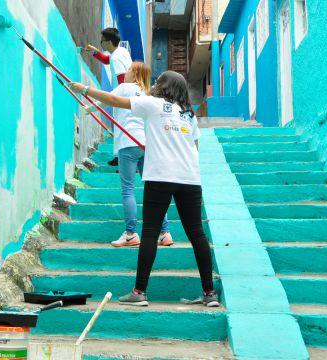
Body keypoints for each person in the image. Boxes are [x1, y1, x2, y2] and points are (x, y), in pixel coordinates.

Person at [69, 71, 220, 308]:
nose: (153, 84)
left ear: (165, 86)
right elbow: (195, 147)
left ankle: (139, 292)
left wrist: (84, 89)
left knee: (149, 233)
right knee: (197, 234)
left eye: (158, 81)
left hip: (160, 176)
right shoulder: (189, 116)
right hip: (190, 178)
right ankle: (209, 293)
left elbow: (115, 101)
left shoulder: (153, 104)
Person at [85, 62, 173, 248]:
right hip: (146, 144)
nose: (125, 73)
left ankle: (131, 234)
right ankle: (165, 233)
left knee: (128, 189)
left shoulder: (124, 87)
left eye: (128, 70)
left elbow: (108, 99)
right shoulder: (148, 93)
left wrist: (89, 109)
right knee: (153, 189)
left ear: (134, 73)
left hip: (128, 144)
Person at [85, 27, 132, 167]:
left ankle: (122, 160)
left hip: (123, 98)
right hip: (128, 96)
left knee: (121, 128)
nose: (101, 42)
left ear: (109, 42)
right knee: (121, 128)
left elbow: (122, 82)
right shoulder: (121, 51)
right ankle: (119, 157)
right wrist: (95, 52)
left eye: (102, 40)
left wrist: (98, 105)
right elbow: (107, 60)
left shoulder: (117, 58)